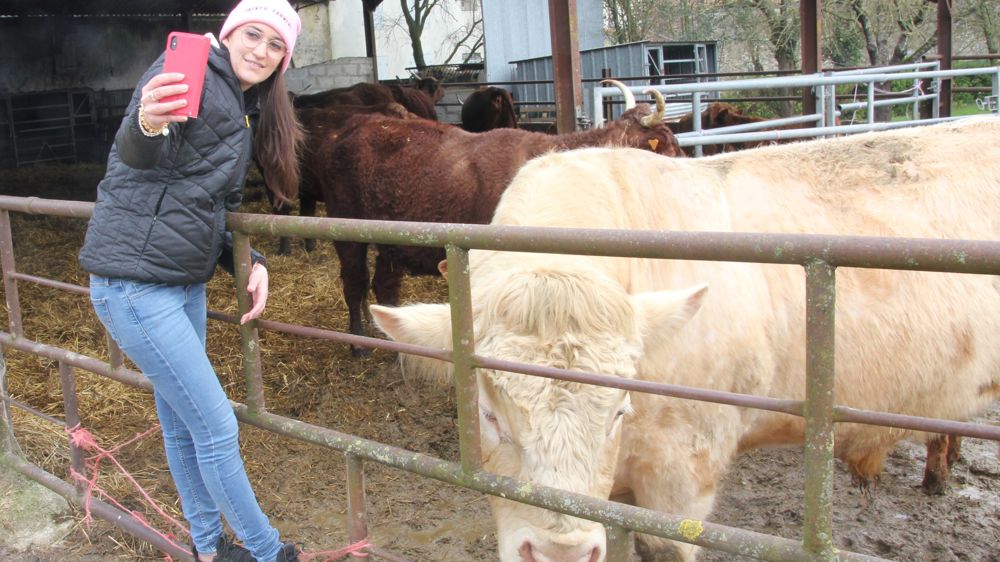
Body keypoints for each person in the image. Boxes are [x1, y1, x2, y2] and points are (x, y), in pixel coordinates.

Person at [78, 1, 304, 560]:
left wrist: (250, 263)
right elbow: (138, 150)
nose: (262, 51)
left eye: (276, 45)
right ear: (230, 31)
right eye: (253, 35)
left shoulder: (245, 106)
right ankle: (266, 550)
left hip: (184, 284)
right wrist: (148, 122)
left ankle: (208, 548)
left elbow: (215, 204)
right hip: (134, 285)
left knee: (183, 426)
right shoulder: (189, 68)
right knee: (217, 426)